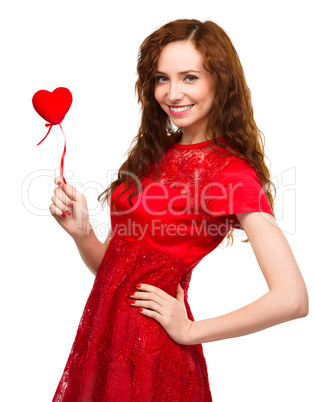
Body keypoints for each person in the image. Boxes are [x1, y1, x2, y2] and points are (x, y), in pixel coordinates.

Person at [49, 19, 309, 401]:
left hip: (152, 354)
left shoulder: (231, 174)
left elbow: (292, 298)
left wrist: (190, 330)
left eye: (189, 77)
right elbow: (121, 270)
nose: (172, 93)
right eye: (161, 78)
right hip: (105, 338)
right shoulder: (156, 152)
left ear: (220, 81)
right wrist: (82, 233)